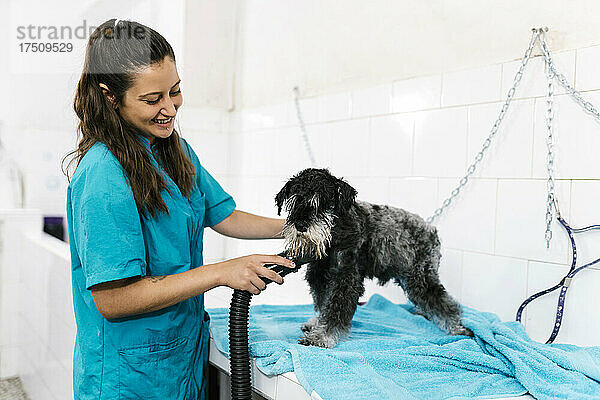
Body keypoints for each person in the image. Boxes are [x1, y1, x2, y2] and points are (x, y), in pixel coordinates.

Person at [62, 18, 295, 399]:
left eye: (175, 91)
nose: (169, 108)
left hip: (181, 359)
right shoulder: (102, 174)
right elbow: (113, 299)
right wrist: (221, 272)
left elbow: (224, 216)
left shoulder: (175, 151)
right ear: (109, 96)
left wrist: (296, 229)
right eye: (153, 100)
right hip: (129, 378)